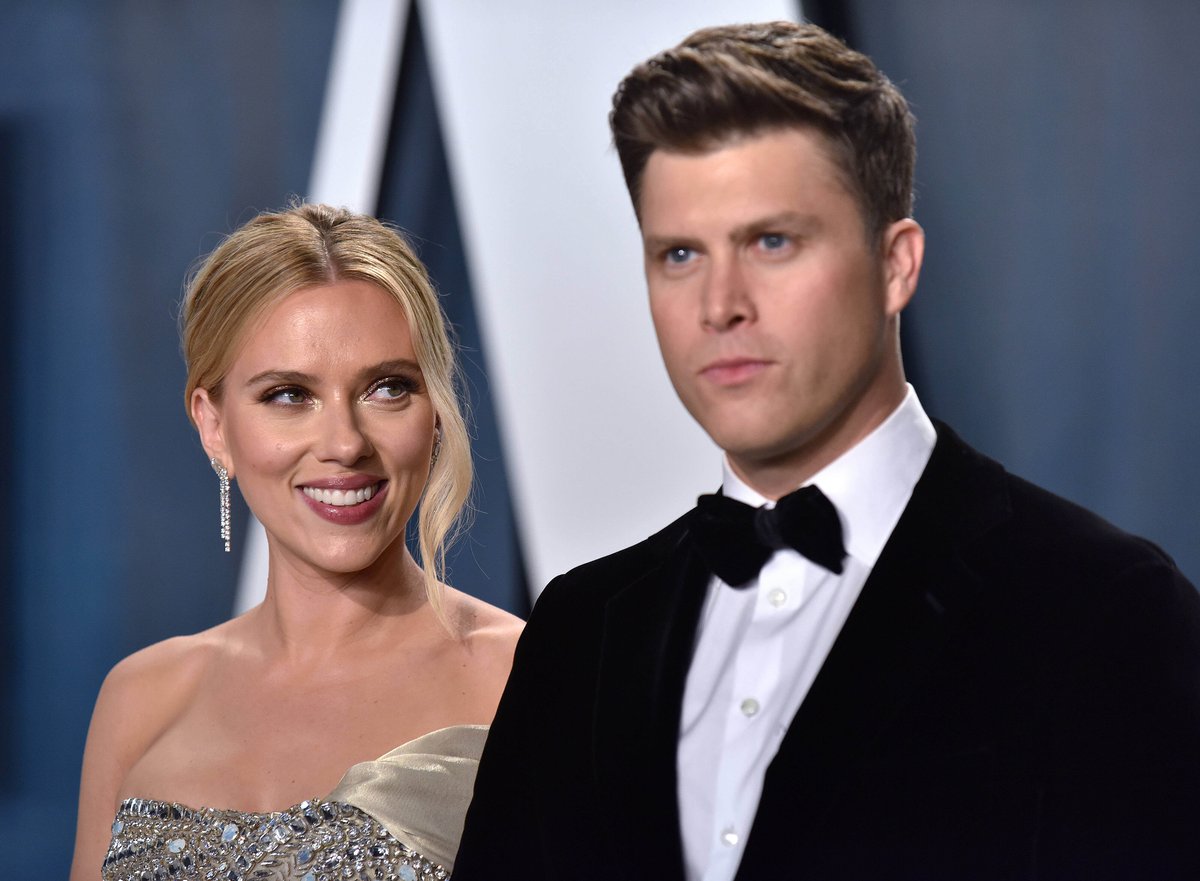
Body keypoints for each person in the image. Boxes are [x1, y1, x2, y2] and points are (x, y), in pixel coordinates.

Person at [452, 21, 1200, 881]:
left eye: (772, 242)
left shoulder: (1102, 612)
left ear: (896, 266)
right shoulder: (578, 631)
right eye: (681, 254)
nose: (719, 304)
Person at [69, 203, 523, 881]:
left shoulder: (526, 676)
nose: (344, 443)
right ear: (214, 425)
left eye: (387, 387)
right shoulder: (141, 698)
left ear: (434, 412)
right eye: (289, 395)